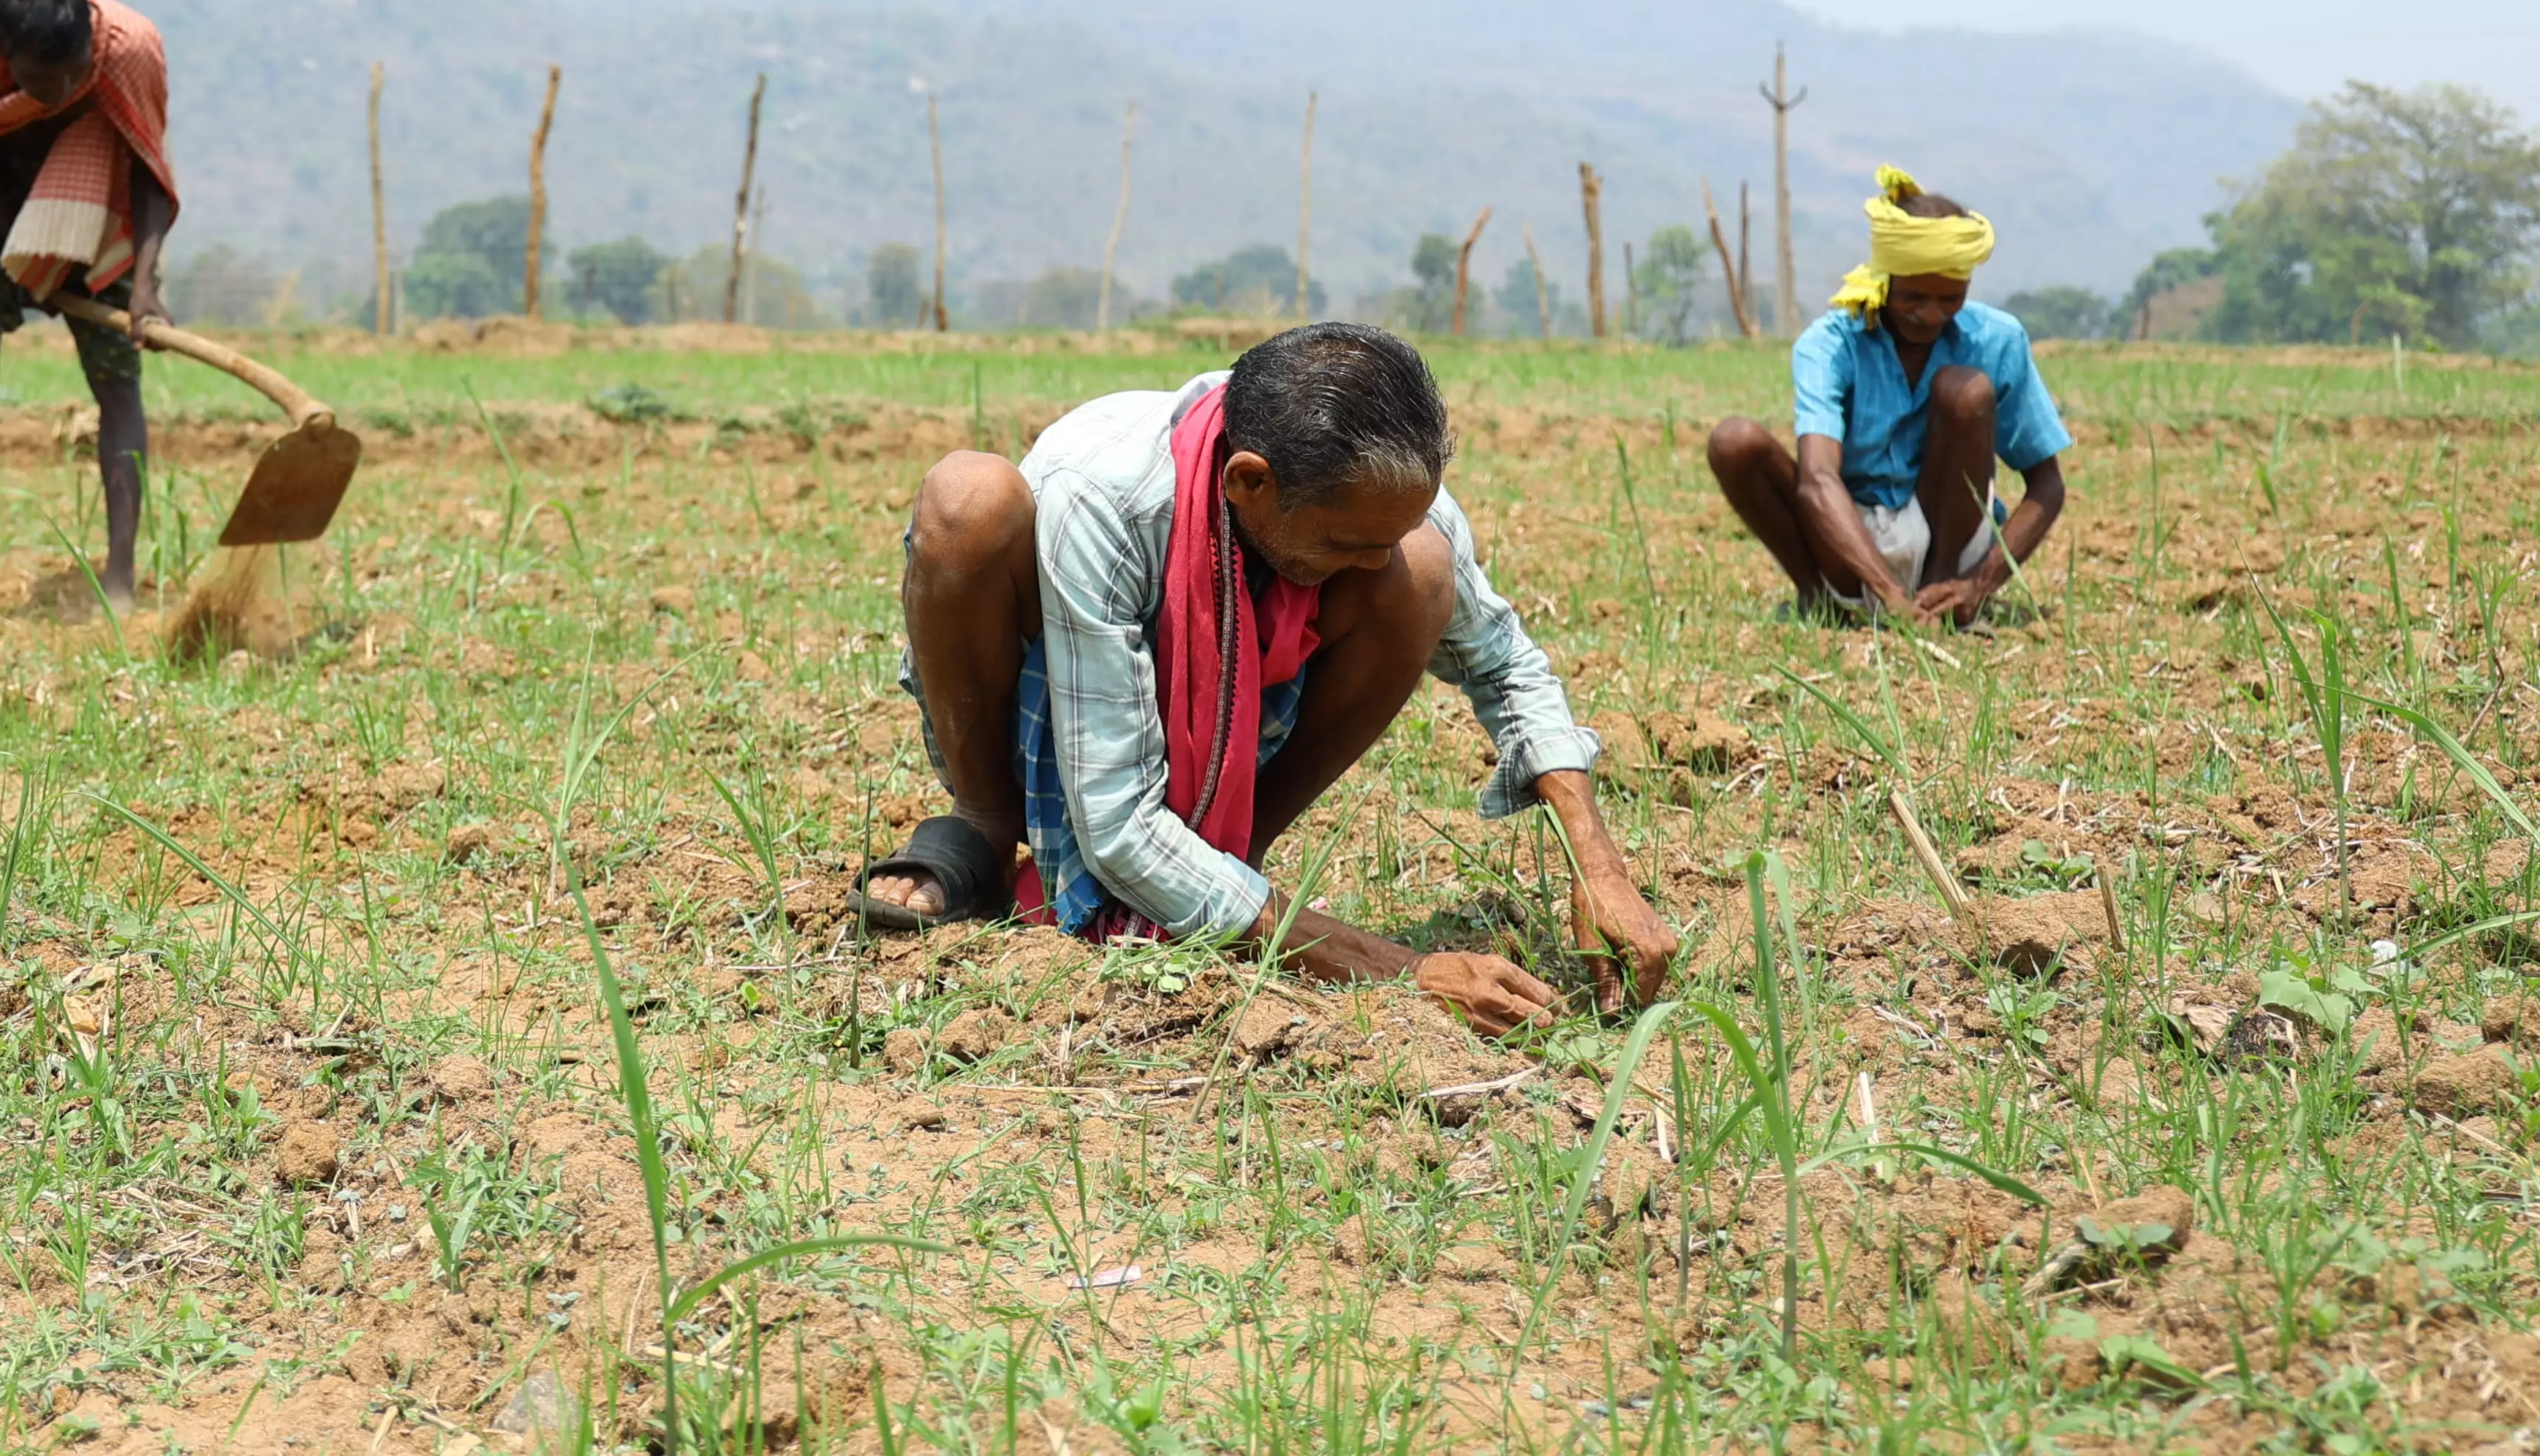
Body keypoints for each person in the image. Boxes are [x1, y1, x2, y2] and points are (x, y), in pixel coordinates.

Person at [855, 322, 1680, 1036]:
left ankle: (1228, 860)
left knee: (1426, 573)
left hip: (1236, 718)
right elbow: (1115, 825)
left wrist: (1598, 865)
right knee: (967, 499)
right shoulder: (1105, 494)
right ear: (1249, 483)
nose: (1371, 563)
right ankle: (984, 829)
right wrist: (1398, 968)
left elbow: (1504, 659)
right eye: (1345, 546)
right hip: (1045, 693)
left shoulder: (1378, 493)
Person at [0, 0, 177, 620]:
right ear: (5, 55)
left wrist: (143, 286)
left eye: (75, 71)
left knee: (118, 384)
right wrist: (22, 259)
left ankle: (120, 582)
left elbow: (148, 162)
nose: (63, 90)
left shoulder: (131, 48)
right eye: (44, 78)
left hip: (103, 199)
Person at [1706, 168, 2070, 626]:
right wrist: (1886, 590)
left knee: (1966, 390)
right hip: (1850, 544)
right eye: (1914, 296)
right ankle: (1825, 600)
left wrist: (1979, 583)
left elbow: (2047, 485)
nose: (1931, 314)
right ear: (1886, 278)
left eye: (1951, 298)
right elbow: (1818, 479)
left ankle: (1939, 599)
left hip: (1953, 542)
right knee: (1734, 440)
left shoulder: (1998, 339)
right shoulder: (1831, 344)